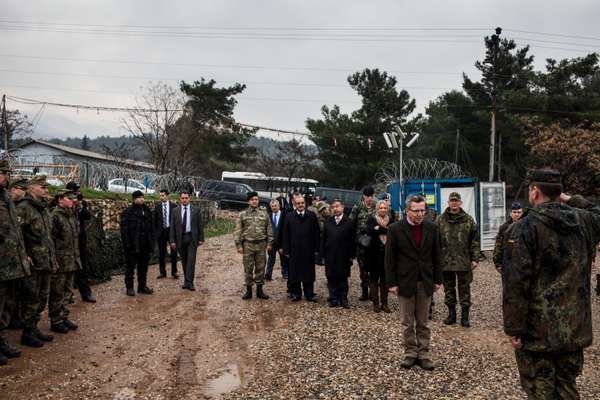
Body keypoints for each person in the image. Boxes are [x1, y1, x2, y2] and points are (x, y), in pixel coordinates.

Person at [502, 169, 600, 399]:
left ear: (535, 191)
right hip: (573, 329)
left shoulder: (524, 228)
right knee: (567, 388)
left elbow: (516, 283)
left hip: (537, 333)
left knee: (540, 390)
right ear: (559, 192)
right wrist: (569, 198)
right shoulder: (584, 221)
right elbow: (597, 211)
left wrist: (514, 328)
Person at [385, 195, 442, 371]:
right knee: (407, 322)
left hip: (425, 281)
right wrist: (391, 283)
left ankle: (423, 354)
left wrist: (438, 279)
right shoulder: (395, 229)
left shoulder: (432, 228)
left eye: (422, 210)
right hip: (404, 282)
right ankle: (410, 353)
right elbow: (389, 259)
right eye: (416, 210)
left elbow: (437, 256)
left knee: (423, 322)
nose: (419, 214)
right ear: (407, 210)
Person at [17, 175, 59, 347]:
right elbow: (17, 235)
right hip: (33, 262)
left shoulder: (43, 209)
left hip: (45, 261)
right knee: (31, 298)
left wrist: (52, 258)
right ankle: (27, 333)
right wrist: (24, 255)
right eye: (42, 187)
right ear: (31, 187)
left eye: (47, 188)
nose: (46, 191)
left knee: (42, 298)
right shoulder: (24, 208)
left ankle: (34, 328)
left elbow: (48, 238)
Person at [0, 160, 30, 365]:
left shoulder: (6, 199)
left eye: (6, 173)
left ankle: (2, 341)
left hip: (11, 263)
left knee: (6, 304)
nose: (5, 177)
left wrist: (22, 255)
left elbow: (15, 233)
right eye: (2, 173)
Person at [437, 192, 480, 328]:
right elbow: (435, 241)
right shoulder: (440, 220)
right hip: (446, 261)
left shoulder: (468, 220)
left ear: (460, 203)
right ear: (448, 202)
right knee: (449, 290)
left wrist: (475, 259)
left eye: (456, 201)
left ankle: (465, 317)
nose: (454, 203)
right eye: (452, 201)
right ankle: (451, 315)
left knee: (464, 290)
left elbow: (475, 241)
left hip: (463, 261)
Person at [48, 189, 81, 334]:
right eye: (69, 198)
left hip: (71, 260)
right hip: (60, 261)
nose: (72, 201)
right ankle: (55, 320)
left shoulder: (70, 215)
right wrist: (53, 259)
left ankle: (63, 316)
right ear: (60, 199)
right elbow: (51, 240)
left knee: (67, 292)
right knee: (57, 292)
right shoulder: (55, 216)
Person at [234, 192, 273, 299]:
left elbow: (269, 229)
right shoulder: (242, 214)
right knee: (248, 268)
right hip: (248, 245)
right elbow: (238, 231)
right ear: (248, 201)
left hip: (261, 245)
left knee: (261, 268)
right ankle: (249, 291)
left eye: (256, 199)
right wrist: (238, 245)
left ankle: (260, 291)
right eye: (252, 199)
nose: (254, 201)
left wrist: (270, 243)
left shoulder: (264, 214)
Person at [282, 194, 320, 302]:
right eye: (298, 203)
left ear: (305, 203)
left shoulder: (312, 215)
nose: (300, 205)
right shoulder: (289, 216)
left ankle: (309, 294)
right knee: (295, 273)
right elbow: (285, 234)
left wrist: (317, 249)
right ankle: (296, 294)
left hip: (308, 250)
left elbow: (317, 233)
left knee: (308, 273)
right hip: (294, 250)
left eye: (302, 203)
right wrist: (286, 250)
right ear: (294, 204)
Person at [321, 199, 355, 308]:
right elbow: (324, 239)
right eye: (333, 207)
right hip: (330, 255)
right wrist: (322, 255)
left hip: (344, 256)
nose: (335, 208)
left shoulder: (349, 222)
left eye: (337, 206)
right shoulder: (328, 222)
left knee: (343, 279)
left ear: (343, 207)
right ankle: (333, 299)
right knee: (331, 278)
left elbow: (352, 240)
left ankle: (343, 299)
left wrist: (351, 256)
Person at [66, 181, 96, 303]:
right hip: (67, 242)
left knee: (82, 267)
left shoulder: (81, 204)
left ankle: (86, 293)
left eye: (78, 192)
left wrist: (80, 206)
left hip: (80, 240)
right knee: (66, 270)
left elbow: (88, 216)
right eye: (75, 192)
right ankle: (67, 295)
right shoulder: (63, 203)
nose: (78, 194)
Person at [120, 190, 154, 296]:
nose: (142, 199)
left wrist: (151, 241)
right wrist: (127, 245)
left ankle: (142, 286)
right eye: (139, 197)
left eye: (143, 197)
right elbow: (124, 230)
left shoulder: (147, 210)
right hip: (133, 245)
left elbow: (151, 227)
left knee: (143, 267)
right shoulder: (128, 212)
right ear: (134, 199)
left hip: (145, 244)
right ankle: (129, 287)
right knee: (130, 267)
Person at [170, 191, 204, 291]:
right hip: (180, 238)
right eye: (183, 198)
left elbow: (199, 225)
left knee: (191, 260)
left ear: (189, 199)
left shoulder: (196, 210)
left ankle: (190, 282)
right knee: (184, 261)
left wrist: (201, 238)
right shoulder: (175, 211)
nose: (184, 200)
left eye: (186, 198)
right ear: (180, 199)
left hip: (192, 238)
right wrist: (172, 240)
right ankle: (186, 281)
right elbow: (172, 227)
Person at [350, 186, 377, 301]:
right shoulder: (358, 207)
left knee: (374, 267)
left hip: (374, 243)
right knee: (363, 269)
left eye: (371, 196)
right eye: (367, 196)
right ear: (364, 196)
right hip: (361, 243)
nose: (369, 198)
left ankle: (373, 291)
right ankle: (364, 291)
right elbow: (351, 222)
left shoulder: (377, 206)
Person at [365, 200, 392, 313]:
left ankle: (384, 303)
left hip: (387, 254)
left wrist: (378, 229)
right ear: (377, 209)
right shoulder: (371, 219)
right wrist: (384, 229)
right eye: (380, 208)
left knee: (385, 280)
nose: (382, 210)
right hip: (373, 254)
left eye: (384, 208)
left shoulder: (391, 219)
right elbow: (369, 231)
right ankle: (376, 303)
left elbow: (393, 232)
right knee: (374, 279)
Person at [154, 189, 178, 279]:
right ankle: (162, 272)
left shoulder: (174, 206)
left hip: (171, 231)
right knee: (161, 253)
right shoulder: (157, 207)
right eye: (160, 195)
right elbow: (155, 221)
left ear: (167, 196)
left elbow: (177, 220)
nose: (161, 197)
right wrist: (156, 233)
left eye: (163, 195)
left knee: (174, 252)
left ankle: (174, 272)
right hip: (161, 232)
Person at [493, 201, 523, 273]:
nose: (517, 214)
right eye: (514, 212)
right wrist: (497, 263)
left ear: (522, 213)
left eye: (519, 212)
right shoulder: (504, 228)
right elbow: (498, 245)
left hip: (523, 263)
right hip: (508, 262)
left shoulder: (527, 227)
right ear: (510, 213)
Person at [265, 199, 283, 281]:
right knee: (270, 260)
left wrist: (283, 245)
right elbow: (266, 230)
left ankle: (285, 274)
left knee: (284, 260)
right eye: (272, 206)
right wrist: (268, 243)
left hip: (281, 243)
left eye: (275, 206)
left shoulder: (284, 215)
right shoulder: (268, 216)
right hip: (271, 243)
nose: (274, 207)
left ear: (278, 206)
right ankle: (268, 275)